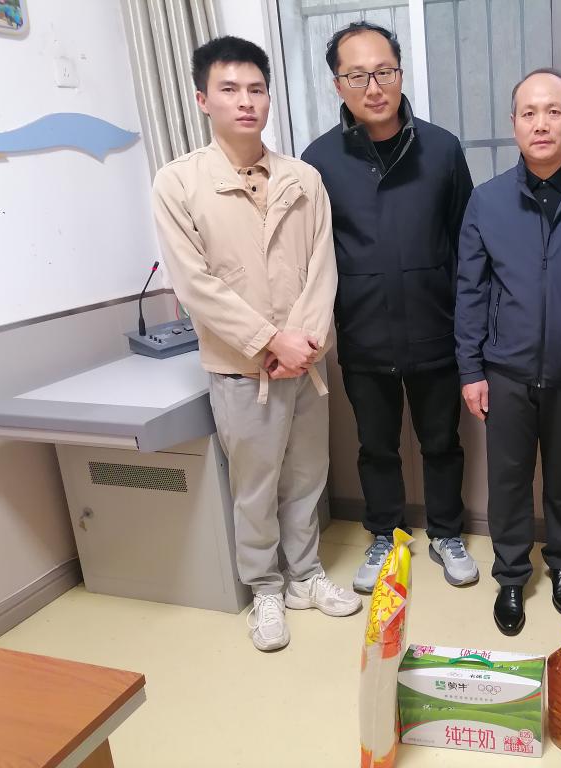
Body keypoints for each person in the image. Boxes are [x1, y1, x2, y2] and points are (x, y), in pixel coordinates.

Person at [151, 36, 360, 652]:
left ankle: (306, 576)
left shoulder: (304, 178)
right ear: (203, 100)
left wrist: (305, 342)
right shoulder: (179, 183)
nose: (246, 101)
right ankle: (266, 588)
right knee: (255, 487)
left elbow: (323, 267)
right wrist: (269, 340)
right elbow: (195, 283)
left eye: (256, 89)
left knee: (308, 477)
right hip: (242, 369)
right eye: (230, 89)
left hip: (307, 364)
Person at [300, 22, 477, 593]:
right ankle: (385, 535)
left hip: (435, 329)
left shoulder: (442, 149)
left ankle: (447, 532)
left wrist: (468, 327)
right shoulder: (318, 161)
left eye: (384, 72)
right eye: (357, 76)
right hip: (364, 333)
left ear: (400, 74)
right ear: (337, 85)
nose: (374, 87)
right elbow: (314, 253)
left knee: (442, 443)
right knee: (375, 447)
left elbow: (466, 242)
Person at [455, 68, 561, 636]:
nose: (541, 124)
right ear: (514, 124)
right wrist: (471, 370)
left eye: (553, 111)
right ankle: (512, 576)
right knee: (509, 480)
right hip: (506, 372)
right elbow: (470, 291)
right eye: (529, 113)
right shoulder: (488, 200)